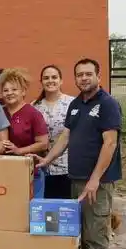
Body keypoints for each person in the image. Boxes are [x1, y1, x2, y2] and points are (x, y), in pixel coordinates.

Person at [33, 58, 122, 249]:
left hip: (98, 183)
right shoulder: (75, 105)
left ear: (98, 75)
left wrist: (95, 180)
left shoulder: (107, 105)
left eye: (88, 74)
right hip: (75, 179)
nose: (84, 78)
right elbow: (66, 136)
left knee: (96, 237)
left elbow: (110, 144)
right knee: (81, 236)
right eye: (80, 75)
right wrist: (47, 159)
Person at [0, 68, 49, 197]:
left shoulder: (33, 114)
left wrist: (19, 151)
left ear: (23, 91)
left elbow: (43, 143)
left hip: (30, 173)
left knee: (30, 214)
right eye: (5, 90)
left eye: (14, 89)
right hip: (4, 174)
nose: (9, 93)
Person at [32, 65, 75, 199]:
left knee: (64, 212)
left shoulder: (72, 104)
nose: (50, 81)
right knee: (46, 213)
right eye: (46, 78)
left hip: (67, 167)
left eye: (54, 77)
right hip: (42, 168)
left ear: (61, 81)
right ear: (41, 82)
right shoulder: (34, 106)